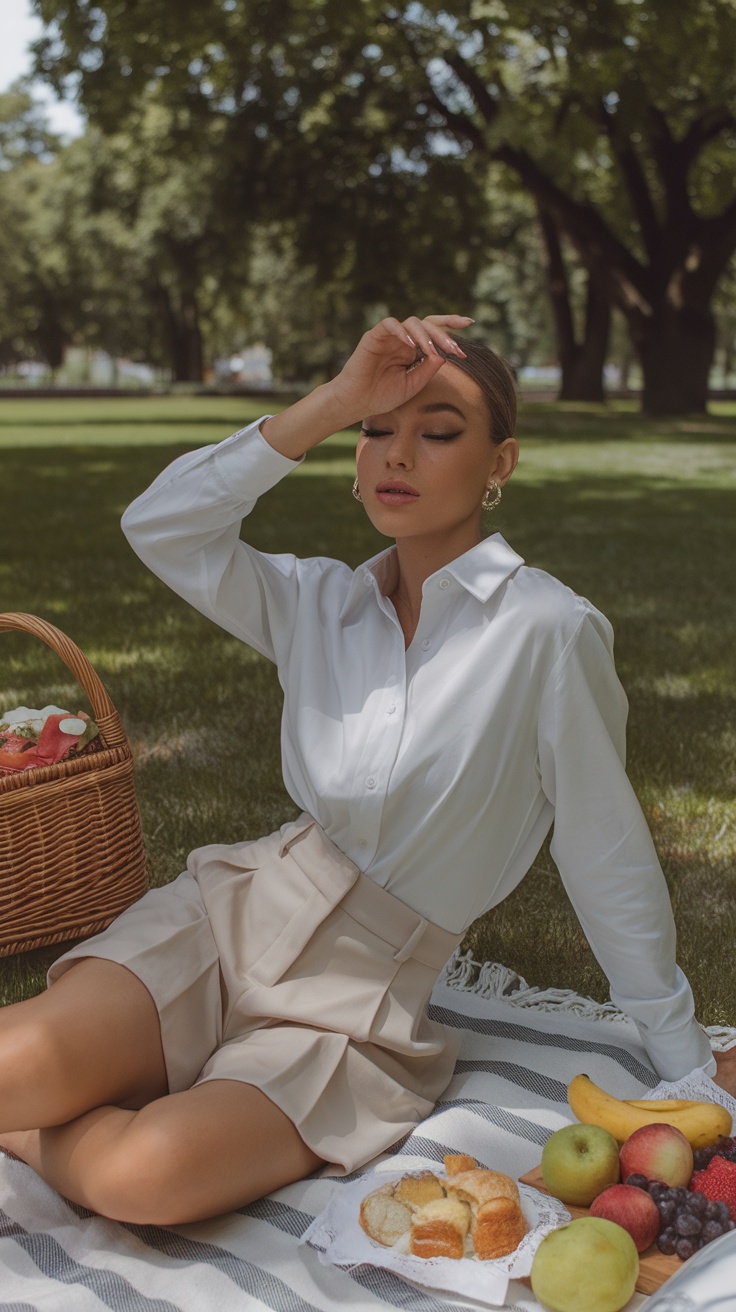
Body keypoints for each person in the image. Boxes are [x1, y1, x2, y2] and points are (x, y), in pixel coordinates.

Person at [1, 314, 734, 1225]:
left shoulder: (547, 630)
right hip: (233, 913)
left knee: (145, 1178)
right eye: (375, 431)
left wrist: (682, 1054)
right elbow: (161, 525)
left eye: (437, 431)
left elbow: (602, 841)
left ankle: (44, 1130)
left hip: (362, 1002)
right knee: (12, 1068)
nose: (397, 455)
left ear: (500, 463)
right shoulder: (318, 600)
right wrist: (334, 399)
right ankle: (52, 1101)